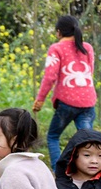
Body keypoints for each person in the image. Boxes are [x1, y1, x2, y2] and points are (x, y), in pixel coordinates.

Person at [33, 15, 97, 168]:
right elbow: (90, 72)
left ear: (58, 32)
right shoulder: (87, 47)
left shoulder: (56, 49)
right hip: (88, 101)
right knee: (87, 139)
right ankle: (90, 170)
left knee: (53, 136)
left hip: (67, 103)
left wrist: (40, 99)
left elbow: (50, 77)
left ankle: (60, 172)